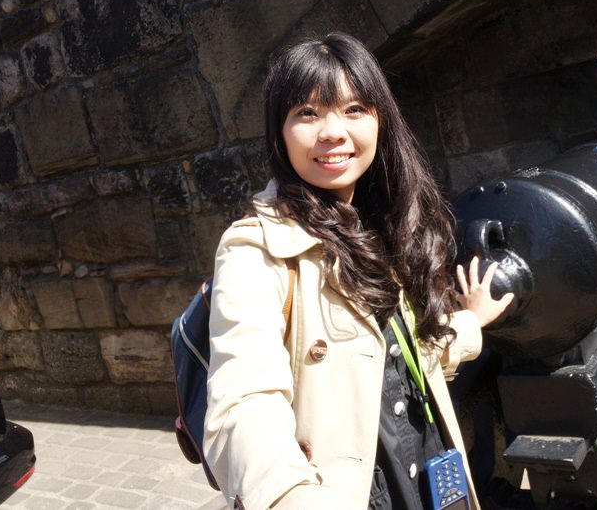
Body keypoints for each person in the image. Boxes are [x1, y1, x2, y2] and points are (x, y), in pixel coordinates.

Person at [203, 33, 514, 510]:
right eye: (307, 113)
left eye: (354, 109)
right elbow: (244, 404)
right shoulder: (256, 250)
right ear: (279, 133)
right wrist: (290, 496)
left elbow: (406, 357)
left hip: (428, 475)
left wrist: (472, 320)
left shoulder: (377, 227)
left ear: (379, 120)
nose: (332, 131)